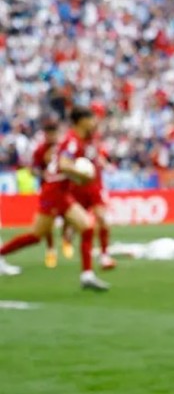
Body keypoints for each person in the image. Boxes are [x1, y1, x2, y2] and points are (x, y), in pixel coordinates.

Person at [0, 107, 110, 291]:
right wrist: (83, 175)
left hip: (61, 191)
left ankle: (87, 275)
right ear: (81, 121)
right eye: (90, 119)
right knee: (37, 235)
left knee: (86, 226)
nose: (93, 122)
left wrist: (80, 177)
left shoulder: (78, 139)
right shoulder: (72, 141)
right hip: (54, 192)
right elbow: (64, 165)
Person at [69, 113, 115, 271]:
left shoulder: (94, 140)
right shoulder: (74, 140)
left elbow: (98, 157)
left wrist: (105, 164)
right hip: (79, 185)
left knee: (102, 218)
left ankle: (104, 256)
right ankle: (69, 234)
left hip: (95, 185)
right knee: (81, 223)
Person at [29, 118, 74, 268]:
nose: (51, 137)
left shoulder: (64, 147)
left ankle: (66, 240)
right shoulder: (40, 150)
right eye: (49, 134)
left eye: (54, 133)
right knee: (48, 223)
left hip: (65, 189)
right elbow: (33, 169)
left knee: (68, 217)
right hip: (48, 190)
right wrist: (43, 173)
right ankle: (51, 250)